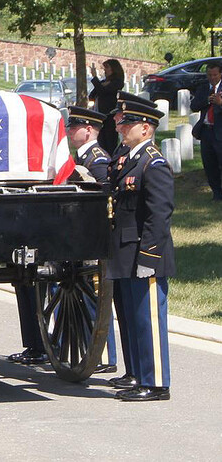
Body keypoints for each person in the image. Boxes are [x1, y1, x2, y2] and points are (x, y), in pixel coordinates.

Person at [107, 99, 173, 402]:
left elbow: (158, 215)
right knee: (134, 319)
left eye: (128, 124)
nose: (122, 128)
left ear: (145, 128)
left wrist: (150, 256)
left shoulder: (153, 163)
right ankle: (140, 376)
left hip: (145, 254)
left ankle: (157, 382)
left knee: (149, 319)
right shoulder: (132, 159)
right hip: (126, 252)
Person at [65, 106, 117, 372]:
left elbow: (103, 204)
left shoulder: (96, 160)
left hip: (93, 240)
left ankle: (104, 356)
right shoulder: (83, 157)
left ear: (88, 130)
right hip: (81, 238)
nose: (69, 131)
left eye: (74, 127)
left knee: (95, 297)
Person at [190, 61, 222, 200]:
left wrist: (220, 103)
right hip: (206, 131)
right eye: (209, 75)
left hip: (220, 131)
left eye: (215, 75)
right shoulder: (203, 88)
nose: (212, 78)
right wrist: (207, 100)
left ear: (220, 74)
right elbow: (194, 106)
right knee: (209, 164)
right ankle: (217, 193)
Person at [89, 59, 125, 154]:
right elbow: (92, 95)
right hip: (100, 115)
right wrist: (99, 84)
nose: (105, 71)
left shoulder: (118, 82)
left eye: (107, 68)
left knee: (109, 141)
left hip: (110, 115)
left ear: (113, 69)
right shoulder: (104, 82)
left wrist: (95, 78)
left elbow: (104, 92)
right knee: (101, 140)